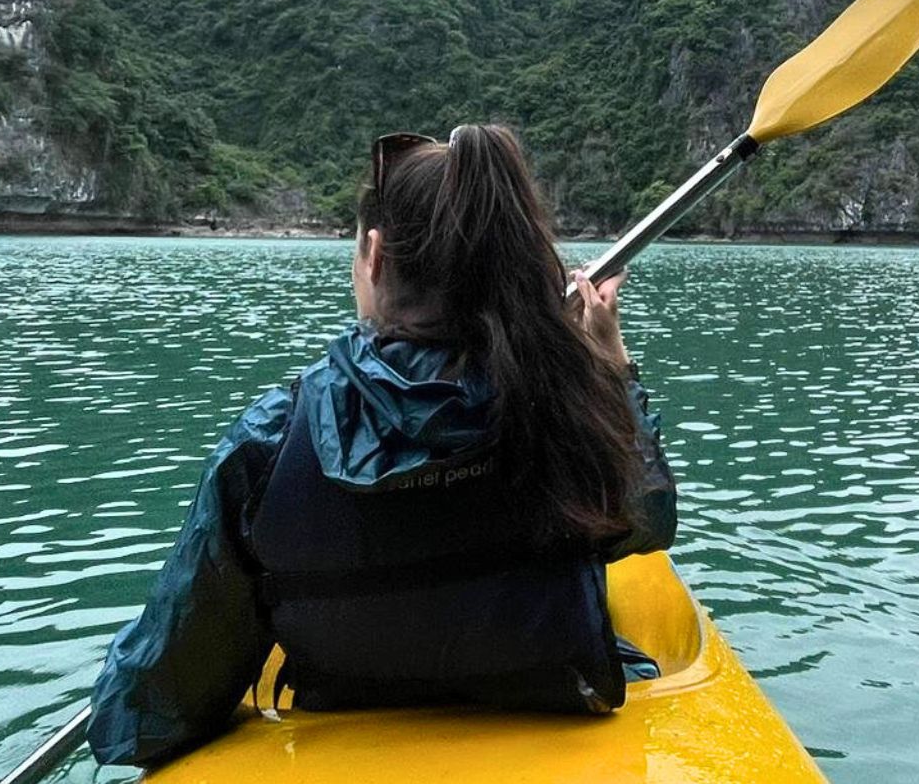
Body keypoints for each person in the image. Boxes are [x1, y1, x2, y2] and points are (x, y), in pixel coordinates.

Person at [88, 125, 677, 768]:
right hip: (556, 713)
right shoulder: (568, 410)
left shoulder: (272, 438)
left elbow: (145, 721)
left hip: (342, 733)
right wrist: (610, 370)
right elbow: (646, 524)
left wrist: (126, 684)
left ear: (373, 255)